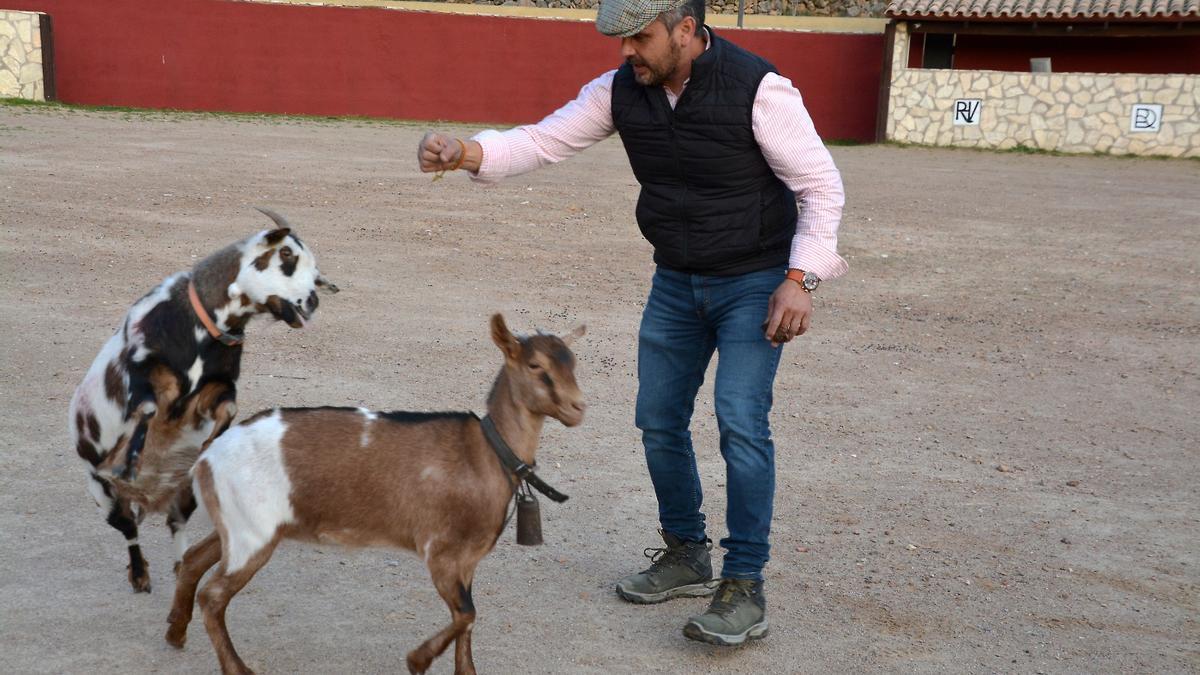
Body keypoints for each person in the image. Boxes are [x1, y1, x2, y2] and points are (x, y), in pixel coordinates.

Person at [417, 0, 846, 647]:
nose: (626, 52)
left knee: (739, 419)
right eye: (620, 40)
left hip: (754, 281)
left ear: (684, 29)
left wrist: (800, 278)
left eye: (639, 38)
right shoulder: (621, 90)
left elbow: (821, 185)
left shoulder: (760, 89)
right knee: (658, 418)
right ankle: (685, 552)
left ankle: (745, 583)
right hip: (675, 277)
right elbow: (542, 140)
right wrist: (467, 151)